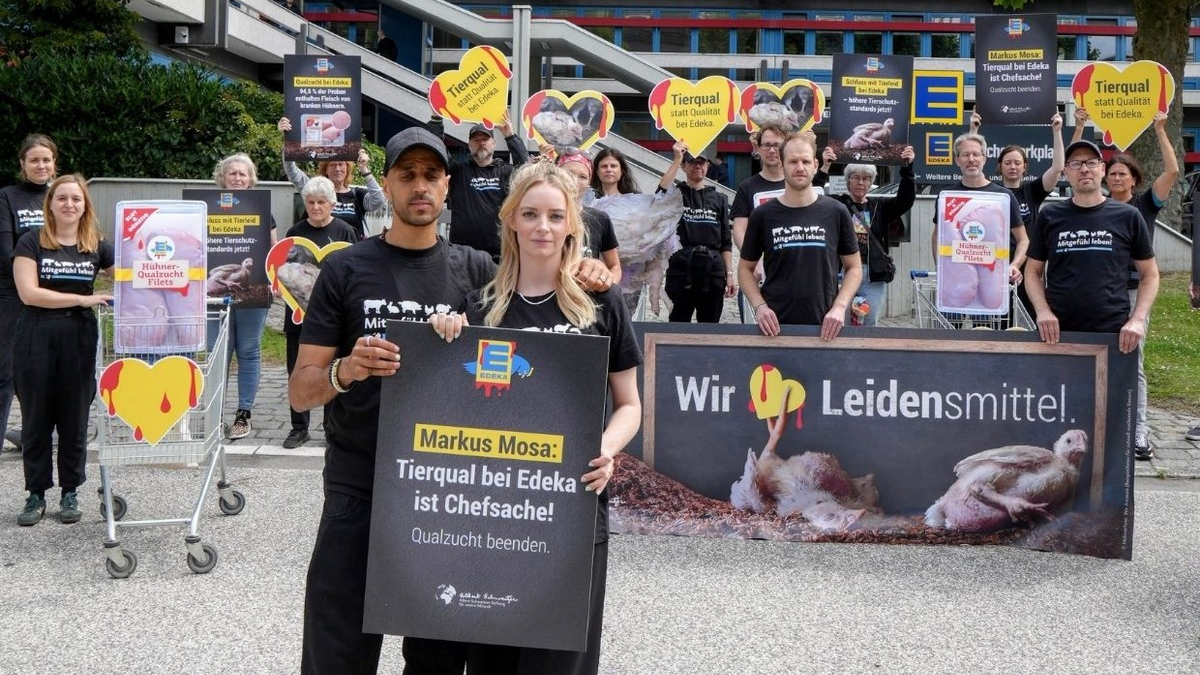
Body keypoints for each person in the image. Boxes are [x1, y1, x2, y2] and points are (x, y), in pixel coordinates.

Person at [289, 126, 497, 674]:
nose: (419, 186)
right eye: (407, 175)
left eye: (431, 175)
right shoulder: (345, 269)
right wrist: (347, 369)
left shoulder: (477, 270)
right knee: (337, 654)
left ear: (447, 185)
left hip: (444, 492)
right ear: (387, 184)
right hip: (359, 484)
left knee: (438, 661)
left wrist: (594, 273)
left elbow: (542, 324)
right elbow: (301, 390)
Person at [429, 159, 642, 675]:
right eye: (530, 214)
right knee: (492, 660)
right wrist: (441, 338)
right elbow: (455, 408)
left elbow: (630, 405)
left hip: (571, 507)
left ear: (572, 224)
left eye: (554, 215)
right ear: (511, 221)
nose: (542, 226)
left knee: (559, 662)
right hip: (493, 517)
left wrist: (606, 450)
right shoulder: (480, 307)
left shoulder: (600, 304)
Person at [1024, 140, 1159, 444]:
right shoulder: (1050, 216)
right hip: (1058, 332)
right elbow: (1032, 272)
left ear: (1102, 170)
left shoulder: (1127, 216)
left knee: (1111, 418)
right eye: (1075, 164)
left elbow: (1150, 274)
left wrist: (1137, 320)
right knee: (1061, 410)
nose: (1083, 169)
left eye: (1090, 162)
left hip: (1112, 333)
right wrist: (1042, 311)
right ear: (1066, 173)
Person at [1073, 109, 1177, 460]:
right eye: (1112, 172)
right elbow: (1071, 166)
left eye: (1123, 173)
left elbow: (1172, 171)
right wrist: (1080, 126)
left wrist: (1160, 130)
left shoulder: (1145, 205)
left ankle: (1138, 432)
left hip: (1132, 291)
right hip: (1101, 291)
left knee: (1134, 361)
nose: (1116, 178)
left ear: (1134, 179)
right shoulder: (1096, 206)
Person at [12, 175, 114, 526]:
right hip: (35, 335)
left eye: (76, 199)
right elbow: (29, 294)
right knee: (36, 419)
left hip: (79, 339)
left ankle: (71, 490)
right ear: (51, 204)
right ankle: (36, 493)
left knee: (74, 418)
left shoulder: (96, 244)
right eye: (62, 198)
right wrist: (83, 299)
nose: (69, 204)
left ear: (85, 206)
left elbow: (132, 276)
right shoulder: (31, 241)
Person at [738, 132, 861, 340]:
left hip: (826, 329)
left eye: (805, 161)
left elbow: (854, 267)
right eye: (793, 161)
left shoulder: (836, 212)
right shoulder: (763, 215)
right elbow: (744, 269)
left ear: (815, 165)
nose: (800, 167)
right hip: (774, 330)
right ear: (782, 164)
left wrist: (840, 307)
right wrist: (760, 307)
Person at [282, 176, 358, 450]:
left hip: (334, 317)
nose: (315, 207)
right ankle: (298, 428)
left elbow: (355, 270)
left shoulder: (345, 231)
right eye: (311, 202)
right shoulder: (294, 232)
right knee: (297, 369)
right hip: (298, 315)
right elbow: (284, 270)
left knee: (333, 370)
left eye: (321, 202)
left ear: (332, 204)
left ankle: (331, 427)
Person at [210, 153, 276, 440]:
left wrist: (273, 280)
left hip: (253, 294)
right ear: (222, 178)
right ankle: (214, 415)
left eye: (242, 174)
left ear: (251, 180)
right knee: (218, 353)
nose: (237, 178)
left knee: (248, 350)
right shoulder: (206, 208)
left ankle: (243, 414)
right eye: (232, 173)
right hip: (213, 296)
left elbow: (272, 250)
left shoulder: (263, 211)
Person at [0, 133, 57, 453]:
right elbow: (5, 250)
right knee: (7, 372)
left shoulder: (61, 196)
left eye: (46, 160)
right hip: (13, 295)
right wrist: (31, 283)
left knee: (45, 370)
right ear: (22, 164)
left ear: (54, 163)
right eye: (34, 160)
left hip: (54, 295)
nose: (40, 165)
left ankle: (36, 435)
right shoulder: (7, 197)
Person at [816, 145, 916, 326]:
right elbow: (813, 195)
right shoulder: (837, 204)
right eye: (856, 177)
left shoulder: (880, 206)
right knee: (839, 321)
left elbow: (905, 200)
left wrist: (907, 168)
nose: (861, 182)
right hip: (842, 272)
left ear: (871, 183)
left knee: (869, 323)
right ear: (848, 181)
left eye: (866, 178)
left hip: (872, 274)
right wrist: (825, 167)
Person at [588, 143, 686, 315]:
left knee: (625, 321)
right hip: (595, 275)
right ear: (596, 171)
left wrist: (677, 159)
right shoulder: (588, 203)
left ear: (621, 171)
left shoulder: (636, 203)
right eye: (604, 166)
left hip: (630, 278)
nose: (609, 169)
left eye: (613, 166)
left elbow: (661, 195)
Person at [277, 116, 385, 240]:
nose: (337, 169)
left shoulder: (357, 195)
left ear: (347, 168)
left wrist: (364, 169)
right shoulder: (314, 188)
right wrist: (288, 141)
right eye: (332, 165)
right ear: (326, 169)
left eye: (341, 164)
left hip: (349, 248)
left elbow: (378, 200)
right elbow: (292, 172)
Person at [441, 112, 531, 260]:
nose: (481, 143)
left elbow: (526, 168)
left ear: (493, 143)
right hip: (461, 253)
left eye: (485, 139)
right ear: (469, 145)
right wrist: (436, 119)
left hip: (499, 254)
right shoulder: (458, 171)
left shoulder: (505, 172)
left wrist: (510, 136)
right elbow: (439, 154)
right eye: (476, 140)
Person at [665, 151, 734, 323]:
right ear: (683, 166)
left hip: (713, 269)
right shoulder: (674, 195)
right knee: (678, 325)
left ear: (707, 166)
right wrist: (677, 158)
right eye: (692, 162)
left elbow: (726, 241)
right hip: (681, 267)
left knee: (710, 326)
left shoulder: (719, 199)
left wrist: (730, 274)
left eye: (701, 162)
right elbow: (661, 190)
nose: (697, 166)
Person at [552, 147, 621, 291]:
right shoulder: (540, 217)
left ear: (589, 182)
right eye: (568, 174)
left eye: (582, 177)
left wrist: (608, 288)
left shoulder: (599, 218)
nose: (574, 181)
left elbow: (614, 266)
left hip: (586, 299)